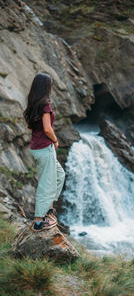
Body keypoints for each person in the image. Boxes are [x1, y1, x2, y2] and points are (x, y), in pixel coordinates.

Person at [23, 73, 65, 232]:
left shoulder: (33, 102)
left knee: (60, 175)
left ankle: (48, 208)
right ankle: (39, 221)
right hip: (45, 148)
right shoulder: (45, 104)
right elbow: (47, 128)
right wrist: (55, 141)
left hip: (36, 147)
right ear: (46, 86)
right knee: (46, 185)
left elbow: (30, 125)